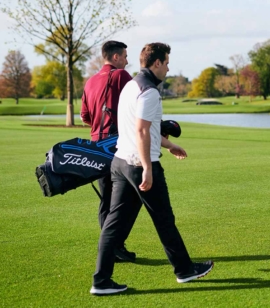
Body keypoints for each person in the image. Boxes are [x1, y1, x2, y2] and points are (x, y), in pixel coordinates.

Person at [90, 43, 213, 295]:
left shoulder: (131, 85)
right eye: (166, 62)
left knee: (113, 224)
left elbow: (147, 129)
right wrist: (147, 167)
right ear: (156, 63)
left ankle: (101, 281)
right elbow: (142, 130)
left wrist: (169, 145)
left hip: (120, 163)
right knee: (164, 219)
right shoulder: (149, 92)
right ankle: (185, 270)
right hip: (138, 165)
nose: (168, 68)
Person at [81, 40, 137, 262]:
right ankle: (114, 246)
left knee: (106, 199)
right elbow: (138, 102)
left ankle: (110, 248)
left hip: (97, 146)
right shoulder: (122, 76)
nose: (126, 60)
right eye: (124, 56)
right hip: (118, 145)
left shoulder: (90, 81)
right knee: (126, 198)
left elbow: (85, 116)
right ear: (115, 57)